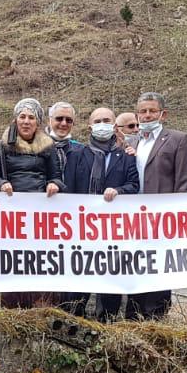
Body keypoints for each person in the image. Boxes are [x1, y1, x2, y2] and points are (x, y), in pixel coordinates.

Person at [61, 106, 139, 320]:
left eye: (106, 120)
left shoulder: (126, 157)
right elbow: (68, 190)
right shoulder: (76, 155)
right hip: (80, 233)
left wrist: (119, 191)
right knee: (77, 285)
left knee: (109, 286)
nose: (102, 124)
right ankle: (72, 323)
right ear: (89, 126)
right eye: (98, 121)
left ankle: (107, 326)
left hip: (112, 234)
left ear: (114, 126)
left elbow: (134, 185)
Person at [0, 98, 65, 309]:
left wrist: (54, 184)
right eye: (22, 117)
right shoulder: (1, 146)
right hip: (12, 217)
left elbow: (58, 176)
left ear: (38, 122)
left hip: (40, 217)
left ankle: (42, 308)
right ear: (15, 120)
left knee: (40, 263)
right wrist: (2, 183)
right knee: (14, 262)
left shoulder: (49, 147)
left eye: (31, 117)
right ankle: (12, 309)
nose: (26, 121)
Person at [127, 92, 187, 320]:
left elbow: (183, 181)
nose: (147, 115)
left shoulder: (178, 139)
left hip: (161, 217)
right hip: (133, 218)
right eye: (143, 111)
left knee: (158, 265)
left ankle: (157, 315)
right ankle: (134, 313)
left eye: (152, 110)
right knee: (136, 264)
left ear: (163, 114)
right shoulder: (131, 141)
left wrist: (176, 214)